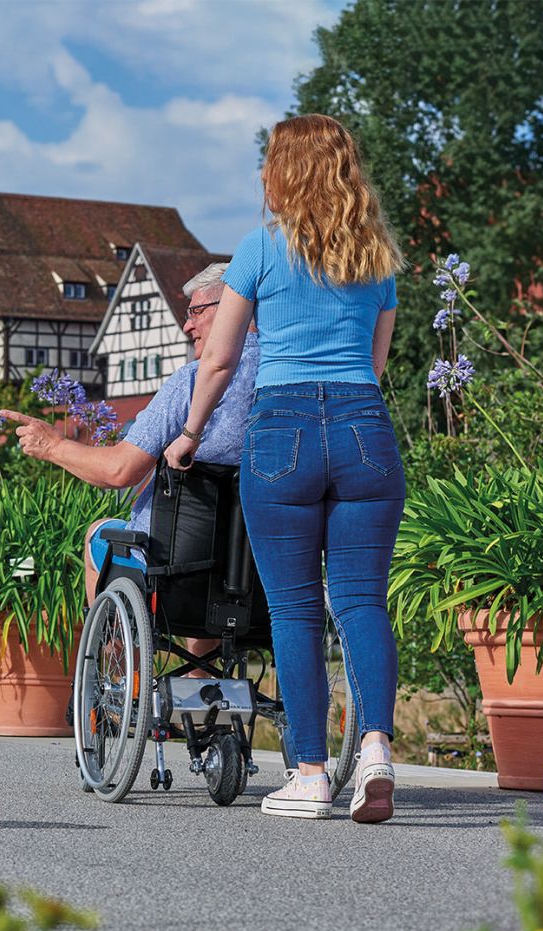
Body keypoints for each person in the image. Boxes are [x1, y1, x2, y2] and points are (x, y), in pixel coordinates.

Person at [164, 114, 405, 823]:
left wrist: (189, 434)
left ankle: (309, 775)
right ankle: (376, 748)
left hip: (282, 433)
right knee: (361, 601)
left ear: (282, 173)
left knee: (296, 610)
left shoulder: (259, 249)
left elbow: (219, 359)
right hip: (364, 430)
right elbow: (376, 365)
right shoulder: (377, 256)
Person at [1, 263, 260, 671]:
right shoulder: (288, 381)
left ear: (232, 307)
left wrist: (54, 446)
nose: (187, 326)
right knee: (217, 564)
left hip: (174, 577)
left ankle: (117, 677)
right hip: (264, 581)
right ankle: (203, 689)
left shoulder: (193, 383)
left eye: (196, 312)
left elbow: (120, 471)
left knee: (98, 533)